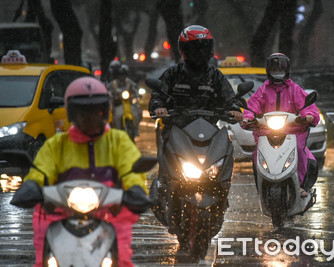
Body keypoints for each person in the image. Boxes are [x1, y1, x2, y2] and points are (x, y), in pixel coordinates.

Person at [20, 77, 149, 267]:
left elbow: (132, 170)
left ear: (105, 111)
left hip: (109, 215)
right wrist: (32, 185)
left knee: (121, 259)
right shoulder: (57, 145)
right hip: (60, 214)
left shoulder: (119, 141)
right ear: (72, 113)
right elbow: (41, 170)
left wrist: (136, 189)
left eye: (95, 110)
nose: (90, 117)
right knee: (43, 260)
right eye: (83, 111)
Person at [242, 52, 320, 197]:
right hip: (265, 132)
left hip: (293, 132)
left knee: (298, 150)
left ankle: (301, 186)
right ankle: (262, 186)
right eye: (274, 70)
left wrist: (308, 116)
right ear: (268, 71)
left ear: (287, 70)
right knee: (257, 155)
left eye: (280, 70)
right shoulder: (262, 90)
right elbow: (252, 107)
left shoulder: (295, 89)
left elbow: (307, 107)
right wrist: (247, 117)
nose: (277, 73)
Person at [149, 25, 243, 129]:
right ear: (184, 49)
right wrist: (158, 107)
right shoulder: (173, 73)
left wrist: (234, 109)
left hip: (209, 130)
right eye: (196, 49)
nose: (200, 53)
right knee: (165, 140)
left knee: (227, 143)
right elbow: (157, 95)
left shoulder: (215, 75)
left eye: (204, 48)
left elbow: (229, 97)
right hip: (176, 129)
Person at [107, 64, 142, 137]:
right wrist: (112, 97)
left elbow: (135, 89)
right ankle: (118, 133)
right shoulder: (113, 84)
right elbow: (108, 92)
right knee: (116, 117)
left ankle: (135, 131)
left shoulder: (129, 83)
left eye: (123, 75)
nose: (122, 77)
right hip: (118, 105)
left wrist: (137, 94)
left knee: (138, 113)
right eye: (120, 75)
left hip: (130, 105)